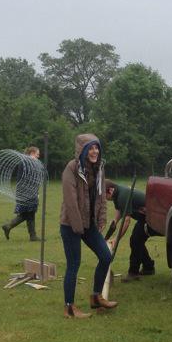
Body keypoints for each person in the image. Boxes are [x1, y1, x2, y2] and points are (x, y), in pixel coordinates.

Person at [59, 134, 117, 318]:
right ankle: (69, 308)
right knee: (74, 264)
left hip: (89, 223)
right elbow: (70, 201)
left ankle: (96, 297)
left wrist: (101, 220)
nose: (95, 151)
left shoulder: (99, 167)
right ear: (82, 150)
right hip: (71, 224)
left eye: (97, 148)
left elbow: (101, 196)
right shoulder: (71, 168)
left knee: (106, 256)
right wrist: (78, 228)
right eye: (91, 148)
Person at [105, 180, 155, 281]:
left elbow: (126, 221)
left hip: (151, 216)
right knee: (136, 240)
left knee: (135, 240)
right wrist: (114, 222)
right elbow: (119, 211)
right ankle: (148, 267)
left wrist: (116, 239)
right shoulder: (117, 194)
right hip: (143, 217)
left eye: (103, 195)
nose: (104, 198)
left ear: (110, 190)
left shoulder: (122, 196)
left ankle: (134, 273)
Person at [2, 145, 44, 241]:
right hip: (27, 193)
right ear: (32, 153)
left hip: (26, 192)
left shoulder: (26, 163)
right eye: (37, 154)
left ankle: (32, 236)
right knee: (28, 213)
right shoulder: (27, 163)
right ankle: (8, 226)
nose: (38, 156)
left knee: (29, 213)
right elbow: (30, 179)